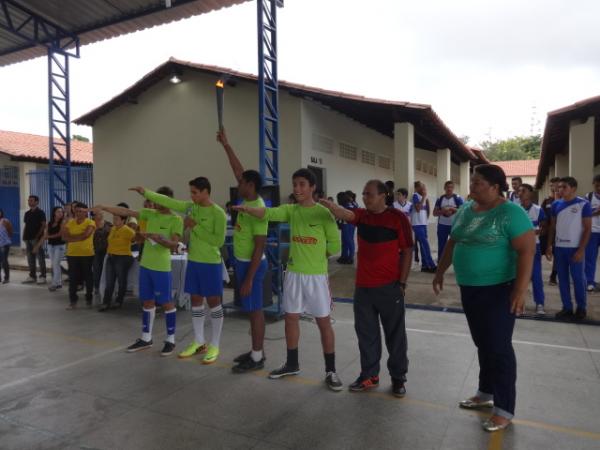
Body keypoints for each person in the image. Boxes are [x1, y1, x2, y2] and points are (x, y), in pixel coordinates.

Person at [433, 164, 535, 432]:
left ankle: (504, 408)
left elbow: (527, 251)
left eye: (478, 183)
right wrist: (440, 271)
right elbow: (453, 241)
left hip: (500, 288)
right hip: (471, 287)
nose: (472, 187)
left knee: (499, 347)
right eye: (473, 182)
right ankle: (485, 392)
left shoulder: (511, 213)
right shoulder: (467, 209)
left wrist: (520, 291)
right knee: (483, 342)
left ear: (494, 186)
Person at [234, 168, 343, 391]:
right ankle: (292, 364)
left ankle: (331, 370)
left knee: (323, 322)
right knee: (291, 318)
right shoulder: (291, 210)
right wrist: (247, 208)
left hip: (316, 278)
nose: (297, 189)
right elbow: (269, 213)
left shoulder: (324, 213)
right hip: (293, 274)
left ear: (312, 187)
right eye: (295, 184)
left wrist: (315, 258)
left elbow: (335, 246)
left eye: (302, 184)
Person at [320, 180, 413, 397]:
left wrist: (402, 282)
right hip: (363, 289)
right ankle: (370, 375)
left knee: (395, 335)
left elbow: (408, 250)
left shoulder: (397, 218)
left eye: (369, 194)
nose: (365, 197)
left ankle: (398, 378)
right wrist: (330, 206)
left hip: (390, 288)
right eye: (363, 194)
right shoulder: (363, 216)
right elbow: (346, 213)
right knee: (366, 334)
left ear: (383, 195)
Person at [132, 179, 226, 364]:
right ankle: (199, 341)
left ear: (206, 192)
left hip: (211, 263)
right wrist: (146, 192)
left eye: (195, 193)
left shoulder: (218, 213)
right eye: (191, 192)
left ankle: (215, 344)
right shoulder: (191, 208)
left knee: (213, 302)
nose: (192, 196)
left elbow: (218, 242)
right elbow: (168, 202)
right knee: (196, 301)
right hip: (193, 261)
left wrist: (195, 226)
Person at [96, 186, 183, 356]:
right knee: (147, 302)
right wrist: (104, 207)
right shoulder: (149, 214)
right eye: (155, 199)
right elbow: (125, 211)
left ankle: (171, 340)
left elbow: (175, 245)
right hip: (146, 266)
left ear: (169, 201)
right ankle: (146, 338)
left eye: (159, 200)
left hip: (161, 267)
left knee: (166, 302)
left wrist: (161, 240)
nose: (155, 203)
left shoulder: (176, 220)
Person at [218, 129, 269, 372]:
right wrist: (226, 145)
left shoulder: (257, 209)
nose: (237, 183)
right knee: (250, 310)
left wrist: (248, 277)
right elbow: (238, 169)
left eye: (241, 182)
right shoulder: (248, 199)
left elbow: (260, 246)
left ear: (250, 185)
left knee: (256, 311)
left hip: (253, 265)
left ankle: (257, 359)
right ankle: (256, 351)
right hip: (243, 263)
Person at [546, 177, 591, 321]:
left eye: (564, 187)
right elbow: (552, 227)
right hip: (560, 248)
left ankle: (581, 308)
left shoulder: (584, 204)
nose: (560, 190)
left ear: (573, 188)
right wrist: (549, 245)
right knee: (562, 279)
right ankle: (567, 307)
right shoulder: (555, 204)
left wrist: (581, 250)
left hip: (575, 248)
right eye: (558, 187)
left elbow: (587, 229)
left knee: (578, 279)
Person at [98, 211, 135, 311]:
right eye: (113, 218)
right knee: (109, 281)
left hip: (123, 258)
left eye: (117, 219)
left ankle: (119, 301)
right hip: (111, 257)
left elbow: (136, 240)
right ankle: (106, 302)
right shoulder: (113, 229)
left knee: (121, 281)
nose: (114, 220)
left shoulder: (128, 230)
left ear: (123, 220)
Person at [518, 184, 546, 315]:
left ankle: (539, 303)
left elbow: (544, 227)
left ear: (530, 193)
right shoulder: (515, 209)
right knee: (518, 276)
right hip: (518, 248)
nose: (520, 193)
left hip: (534, 247)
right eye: (519, 191)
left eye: (523, 190)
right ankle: (518, 303)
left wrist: (539, 231)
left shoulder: (538, 209)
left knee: (536, 276)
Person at [62, 202, 96, 309]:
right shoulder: (70, 223)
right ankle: (73, 301)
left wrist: (72, 238)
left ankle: (89, 298)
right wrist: (78, 238)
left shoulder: (90, 222)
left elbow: (86, 235)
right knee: (73, 278)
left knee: (87, 276)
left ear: (86, 212)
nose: (78, 213)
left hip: (86, 254)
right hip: (72, 254)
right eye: (76, 211)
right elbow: (64, 237)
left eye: (81, 211)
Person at [35, 206, 66, 291]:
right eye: (58, 212)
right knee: (55, 265)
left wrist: (48, 236)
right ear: (54, 213)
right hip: (50, 246)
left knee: (55, 264)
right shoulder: (49, 223)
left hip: (59, 246)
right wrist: (38, 245)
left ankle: (54, 284)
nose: (60, 213)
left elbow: (60, 234)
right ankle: (59, 283)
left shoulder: (63, 222)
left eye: (61, 212)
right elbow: (45, 235)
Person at [433, 181, 463, 262]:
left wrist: (451, 209)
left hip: (454, 225)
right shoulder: (440, 199)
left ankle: (457, 261)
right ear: (444, 188)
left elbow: (462, 211)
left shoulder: (458, 198)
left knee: (456, 245)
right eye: (447, 187)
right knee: (441, 245)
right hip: (442, 225)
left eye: (451, 187)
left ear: (453, 188)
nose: (449, 189)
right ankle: (440, 261)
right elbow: (434, 213)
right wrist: (443, 211)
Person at [411, 181, 436, 272]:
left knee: (423, 245)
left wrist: (426, 219)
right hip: (417, 224)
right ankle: (431, 264)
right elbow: (417, 209)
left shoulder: (424, 198)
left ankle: (425, 266)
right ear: (417, 188)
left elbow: (427, 211)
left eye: (424, 188)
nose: (424, 190)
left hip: (423, 223)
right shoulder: (415, 196)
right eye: (422, 187)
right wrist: (424, 197)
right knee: (425, 243)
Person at [22, 195, 47, 284]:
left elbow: (43, 224)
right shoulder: (27, 213)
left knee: (40, 258)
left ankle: (43, 276)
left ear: (37, 202)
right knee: (30, 258)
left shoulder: (41, 212)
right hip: (27, 238)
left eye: (31, 200)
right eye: (29, 200)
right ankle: (32, 276)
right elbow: (26, 225)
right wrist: (23, 236)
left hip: (36, 239)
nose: (29, 202)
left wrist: (37, 236)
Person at [540, 177, 560, 285]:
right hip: (546, 232)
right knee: (539, 252)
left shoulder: (563, 202)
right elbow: (542, 216)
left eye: (556, 185)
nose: (554, 187)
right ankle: (533, 273)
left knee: (557, 255)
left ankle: (553, 276)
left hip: (559, 232)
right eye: (552, 185)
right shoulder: (547, 201)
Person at [92, 210, 112, 299]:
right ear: (94, 216)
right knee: (96, 269)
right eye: (98, 214)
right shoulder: (91, 224)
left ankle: (105, 287)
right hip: (94, 251)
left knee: (105, 270)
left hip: (106, 250)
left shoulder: (108, 224)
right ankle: (96, 287)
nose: (100, 215)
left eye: (101, 213)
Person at [584, 174, 600, 292]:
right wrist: (596, 211)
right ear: (593, 184)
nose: (599, 188)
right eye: (597, 186)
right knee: (590, 257)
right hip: (593, 231)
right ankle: (590, 282)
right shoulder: (588, 197)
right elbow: (585, 213)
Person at [336, 191, 355, 265]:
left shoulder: (349, 205)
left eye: (338, 198)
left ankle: (351, 258)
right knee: (344, 241)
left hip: (349, 225)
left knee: (349, 241)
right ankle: (344, 256)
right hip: (345, 225)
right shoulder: (344, 205)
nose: (337, 200)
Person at [0, 209, 13, 284]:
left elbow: (10, 231)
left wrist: (6, 239)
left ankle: (6, 278)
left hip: (4, 244)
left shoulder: (5, 221)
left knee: (4, 261)